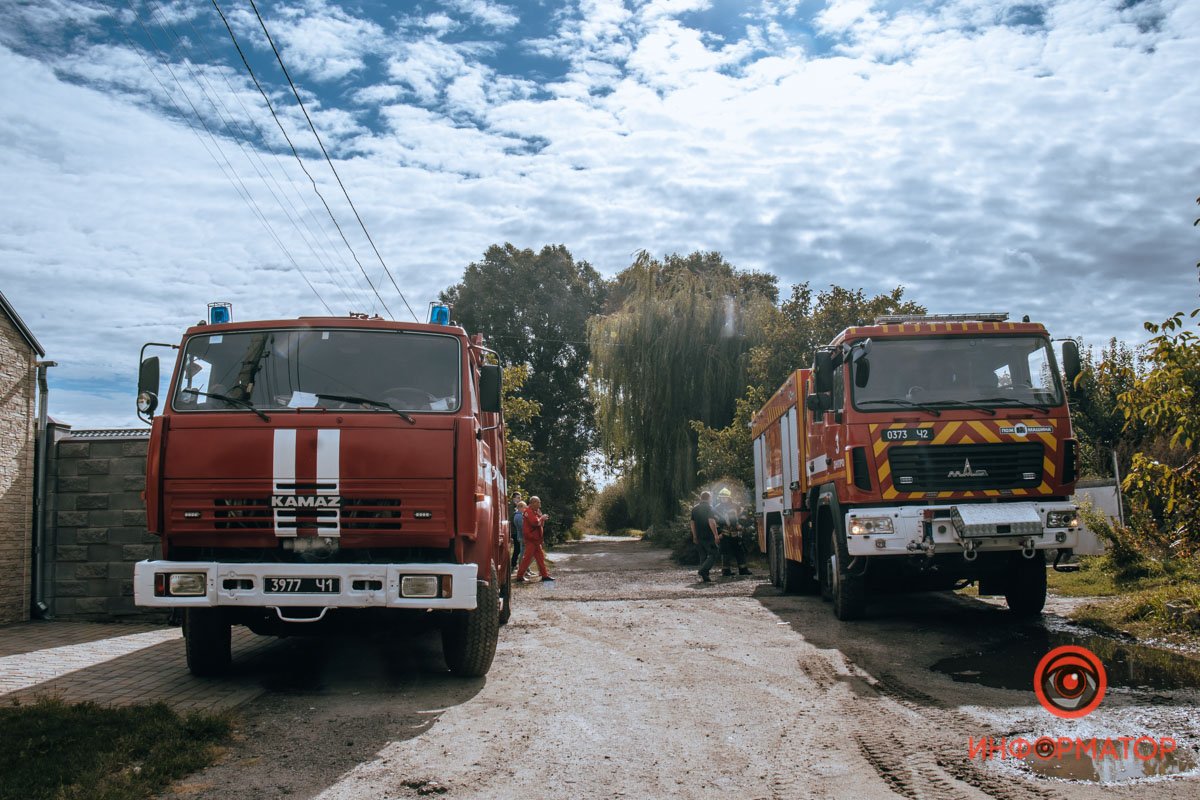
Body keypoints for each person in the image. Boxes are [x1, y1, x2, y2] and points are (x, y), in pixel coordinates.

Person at [515, 496, 554, 582]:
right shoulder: (528, 511)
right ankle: (519, 576)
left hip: (536, 539)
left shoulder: (535, 511)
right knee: (527, 558)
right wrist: (541, 518)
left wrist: (541, 518)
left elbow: (540, 524)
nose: (540, 505)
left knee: (540, 558)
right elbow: (535, 522)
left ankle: (544, 575)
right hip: (531, 539)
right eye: (538, 503)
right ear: (533, 503)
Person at [714, 487, 751, 577]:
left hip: (736, 533)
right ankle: (726, 571)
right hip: (724, 534)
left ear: (729, 497)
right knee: (725, 552)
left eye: (725, 497)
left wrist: (741, 525)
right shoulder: (717, 508)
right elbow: (715, 522)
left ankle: (743, 569)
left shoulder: (736, 506)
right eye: (722, 497)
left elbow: (743, 516)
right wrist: (719, 533)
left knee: (739, 551)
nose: (723, 499)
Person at [690, 491, 719, 583]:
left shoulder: (695, 509)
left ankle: (705, 577)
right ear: (709, 498)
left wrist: (694, 536)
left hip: (699, 536)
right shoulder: (710, 508)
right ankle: (703, 570)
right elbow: (711, 521)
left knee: (703, 555)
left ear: (701, 498)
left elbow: (692, 523)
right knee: (714, 553)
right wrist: (716, 535)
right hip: (708, 536)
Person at [511, 500, 526, 573]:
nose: (525, 509)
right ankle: (521, 570)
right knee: (523, 554)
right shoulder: (519, 516)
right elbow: (522, 527)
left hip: (520, 536)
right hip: (522, 536)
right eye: (524, 507)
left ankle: (525, 570)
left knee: (523, 553)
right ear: (520, 507)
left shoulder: (518, 515)